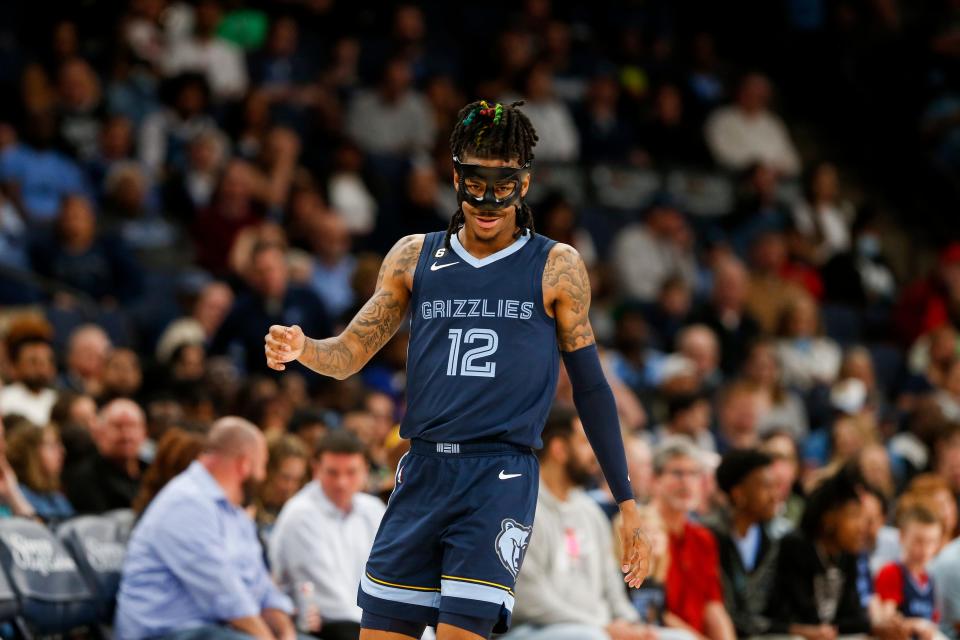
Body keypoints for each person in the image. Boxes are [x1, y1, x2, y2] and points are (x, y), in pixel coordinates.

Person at [265, 100, 650, 640]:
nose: (488, 200)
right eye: (475, 182)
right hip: (421, 471)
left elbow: (589, 386)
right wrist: (303, 346)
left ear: (525, 182)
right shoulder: (412, 256)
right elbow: (349, 354)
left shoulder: (556, 265)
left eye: (503, 183)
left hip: (498, 476)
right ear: (455, 178)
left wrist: (627, 503)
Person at [115, 417, 302, 640]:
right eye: (261, 466)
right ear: (244, 465)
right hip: (169, 632)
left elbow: (260, 584)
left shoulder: (233, 510)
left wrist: (286, 631)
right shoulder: (186, 503)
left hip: (217, 628)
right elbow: (222, 594)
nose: (262, 477)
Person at [509, 408, 649, 640]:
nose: (594, 454)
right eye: (585, 443)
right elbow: (529, 600)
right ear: (559, 449)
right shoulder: (521, 509)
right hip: (532, 630)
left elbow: (611, 584)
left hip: (596, 627)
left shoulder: (590, 510)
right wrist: (602, 627)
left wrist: (631, 623)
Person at [270, 430, 386, 640]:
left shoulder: (374, 509)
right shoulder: (300, 514)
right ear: (316, 469)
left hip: (368, 623)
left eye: (351, 472)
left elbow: (391, 578)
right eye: (332, 472)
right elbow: (331, 602)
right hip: (326, 626)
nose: (341, 482)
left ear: (365, 471)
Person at [650, 439, 736, 640]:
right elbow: (653, 609)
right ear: (655, 480)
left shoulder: (703, 538)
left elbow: (713, 606)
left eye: (694, 474)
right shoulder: (642, 532)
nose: (686, 482)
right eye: (677, 473)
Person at [707, 448, 780, 638]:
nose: (774, 497)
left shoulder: (773, 540)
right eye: (766, 487)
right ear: (739, 494)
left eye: (775, 486)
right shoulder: (709, 536)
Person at [64, 398, 148, 513]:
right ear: (98, 432)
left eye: (132, 426)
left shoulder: (153, 472)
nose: (126, 436)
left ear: (144, 433)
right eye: (118, 426)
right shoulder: (84, 477)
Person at [874, 506, 943, 640]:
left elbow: (933, 621)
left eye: (931, 542)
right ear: (902, 536)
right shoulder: (892, 572)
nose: (925, 549)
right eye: (919, 541)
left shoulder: (929, 578)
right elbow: (886, 622)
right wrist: (914, 625)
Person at [6, 424, 74, 524]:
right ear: (31, 453)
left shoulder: (55, 495)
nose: (62, 451)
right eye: (52, 446)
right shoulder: (17, 495)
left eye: (59, 445)